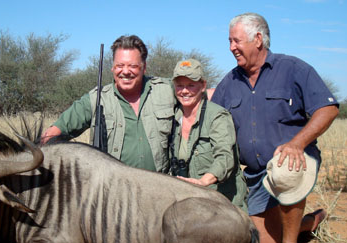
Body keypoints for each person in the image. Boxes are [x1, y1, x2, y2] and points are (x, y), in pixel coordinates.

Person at [211, 12, 339, 243]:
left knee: (286, 167)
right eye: (230, 41)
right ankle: (305, 224)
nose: (231, 47)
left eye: (236, 41)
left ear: (258, 39)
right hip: (254, 174)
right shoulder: (229, 81)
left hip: (291, 163)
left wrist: (297, 143)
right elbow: (212, 119)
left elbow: (327, 108)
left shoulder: (294, 68)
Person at [41, 35, 175, 173]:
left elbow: (196, 99)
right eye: (120, 65)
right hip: (112, 190)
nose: (125, 71)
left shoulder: (166, 90)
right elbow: (50, 136)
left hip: (160, 188)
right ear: (112, 67)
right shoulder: (95, 99)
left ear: (144, 67)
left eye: (133, 66)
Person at [169, 59, 247, 212]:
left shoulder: (218, 116)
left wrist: (203, 181)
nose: (184, 91)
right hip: (189, 203)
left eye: (191, 85)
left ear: (203, 85)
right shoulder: (172, 116)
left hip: (222, 203)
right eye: (180, 85)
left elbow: (225, 157)